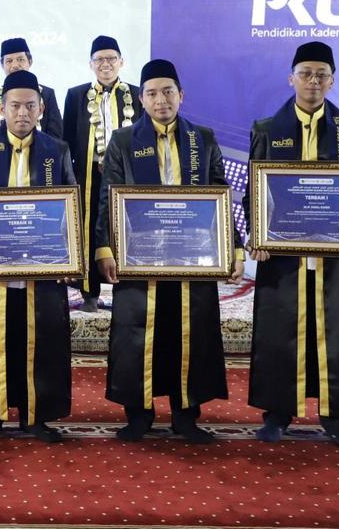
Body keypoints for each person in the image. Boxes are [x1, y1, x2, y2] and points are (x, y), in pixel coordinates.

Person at [94, 59, 243, 444]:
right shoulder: (123, 142)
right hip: (137, 256)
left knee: (190, 332)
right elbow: (107, 198)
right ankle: (138, 414)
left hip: (192, 257)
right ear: (141, 99)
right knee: (138, 333)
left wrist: (235, 248)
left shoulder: (203, 139)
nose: (161, 100)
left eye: (168, 92)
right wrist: (104, 248)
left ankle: (186, 414)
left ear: (181, 95)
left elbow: (220, 196)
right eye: (152, 93)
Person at [245, 41, 339, 450]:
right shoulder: (267, 129)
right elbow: (255, 187)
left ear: (332, 81)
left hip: (335, 255)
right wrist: (256, 234)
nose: (313, 81)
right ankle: (276, 413)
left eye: (321, 74)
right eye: (305, 73)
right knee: (279, 329)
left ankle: (336, 416)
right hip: (282, 254)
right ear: (292, 78)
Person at [0, 70, 78, 442]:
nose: (22, 113)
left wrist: (71, 257)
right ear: (0, 108)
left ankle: (35, 415)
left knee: (40, 337)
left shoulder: (56, 151)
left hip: (42, 266)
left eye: (29, 105)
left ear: (41, 108)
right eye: (14, 105)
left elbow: (71, 205)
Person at [63, 36, 141, 312]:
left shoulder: (136, 93)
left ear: (122, 62)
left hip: (126, 177)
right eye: (100, 60)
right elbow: (68, 139)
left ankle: (126, 290)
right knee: (89, 229)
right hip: (90, 175)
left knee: (125, 228)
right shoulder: (76, 95)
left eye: (111, 59)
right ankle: (89, 293)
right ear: (90, 64)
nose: (105, 64)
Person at [0, 38, 61, 141]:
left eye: (20, 59)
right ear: (2, 65)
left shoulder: (47, 95)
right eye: (9, 61)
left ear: (30, 62)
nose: (15, 65)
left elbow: (55, 137)